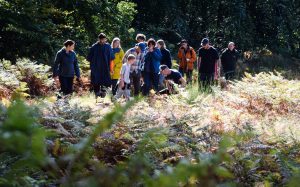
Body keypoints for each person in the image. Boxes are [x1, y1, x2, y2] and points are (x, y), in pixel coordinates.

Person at [87, 33, 114, 98]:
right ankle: (97, 95)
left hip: (105, 67)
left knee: (105, 82)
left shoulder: (108, 47)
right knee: (96, 81)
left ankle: (103, 96)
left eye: (104, 39)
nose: (103, 41)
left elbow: (111, 59)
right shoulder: (94, 47)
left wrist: (111, 69)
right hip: (96, 68)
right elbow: (89, 58)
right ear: (99, 39)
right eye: (102, 39)